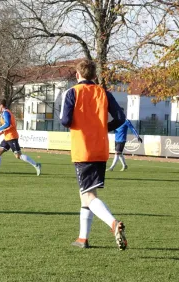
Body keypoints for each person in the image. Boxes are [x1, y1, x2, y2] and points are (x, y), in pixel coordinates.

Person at [60, 60, 127, 250]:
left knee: (88, 195)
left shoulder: (72, 92)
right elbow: (120, 118)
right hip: (101, 148)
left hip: (83, 148)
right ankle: (83, 238)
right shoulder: (103, 92)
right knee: (87, 194)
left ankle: (113, 223)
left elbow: (65, 120)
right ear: (94, 76)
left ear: (77, 75)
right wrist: (104, 127)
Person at [0, 99, 42, 176]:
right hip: (7, 137)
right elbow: (11, 125)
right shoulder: (6, 112)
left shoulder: (6, 113)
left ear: (1, 105)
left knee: (18, 156)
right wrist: (2, 132)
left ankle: (36, 165)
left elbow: (8, 124)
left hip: (12, 137)